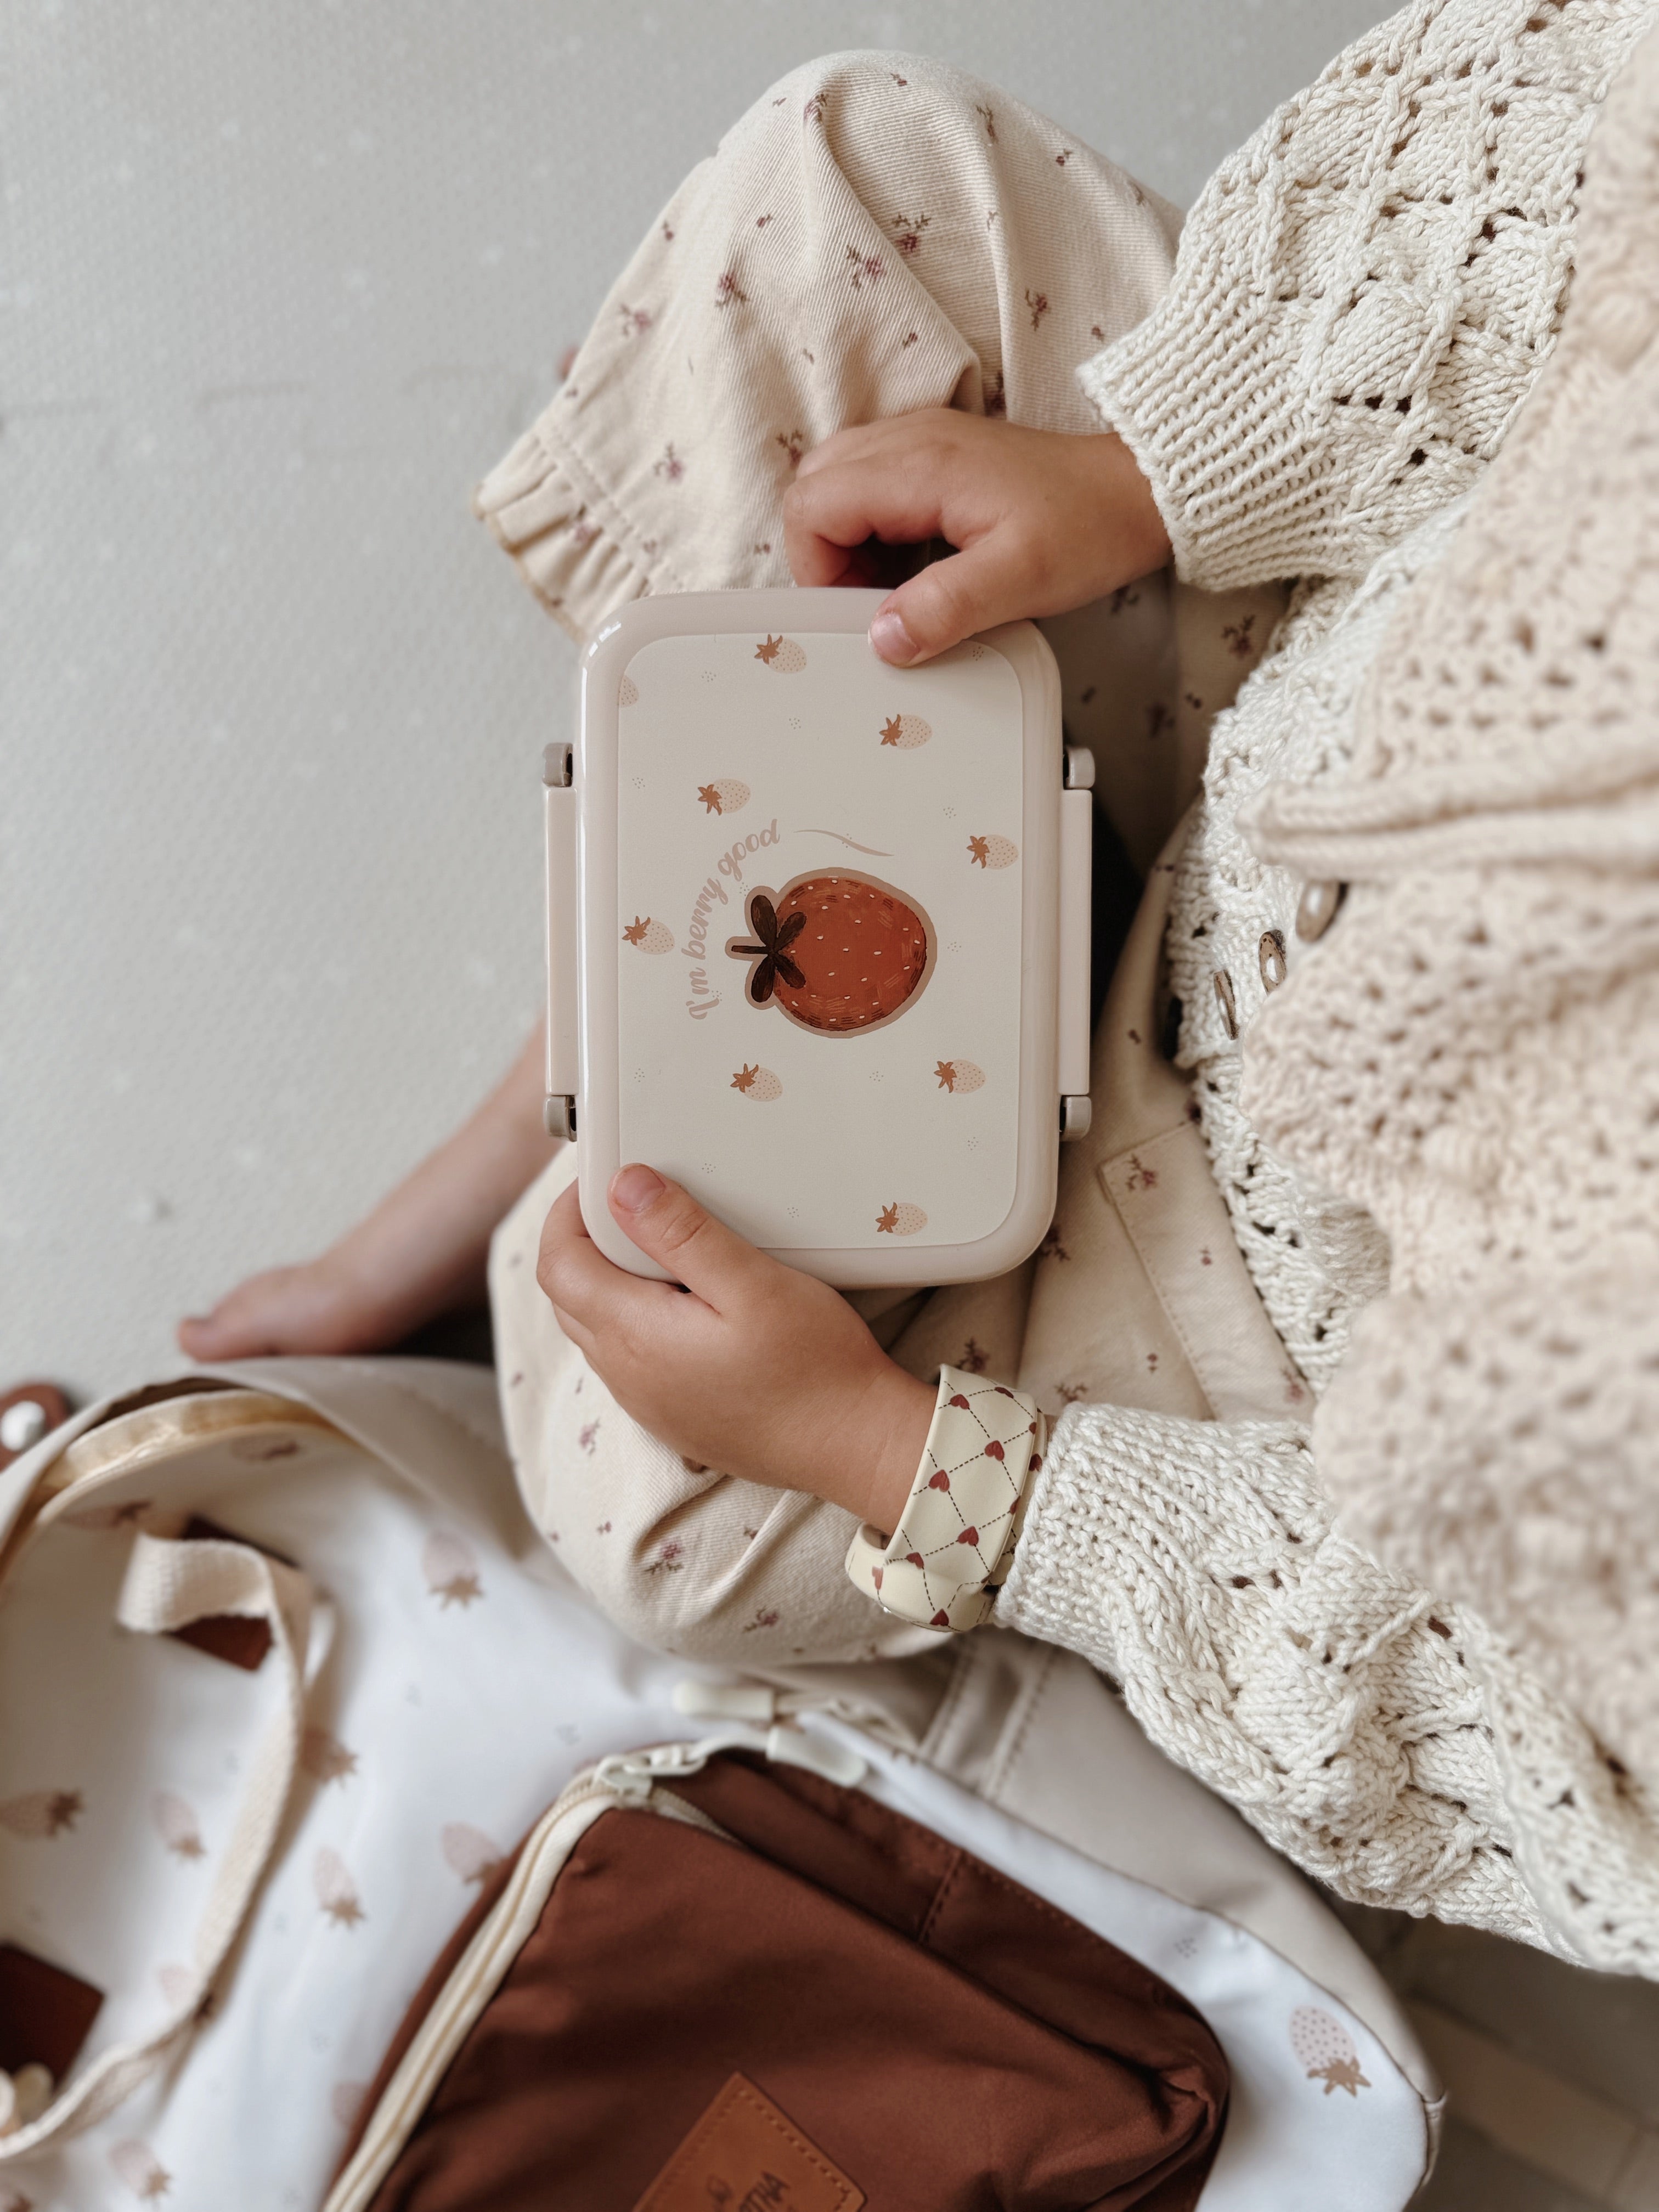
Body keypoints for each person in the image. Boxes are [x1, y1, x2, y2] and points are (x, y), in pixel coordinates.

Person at [180, 0, 1659, 1976]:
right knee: (855, 175)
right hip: (1276, 674)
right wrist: (1151, 475)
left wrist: (890, 1453)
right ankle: (642, 996)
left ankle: (634, 1028)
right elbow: (1600, 155)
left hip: (1253, 1283)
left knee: (668, 1521)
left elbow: (1539, 1752)